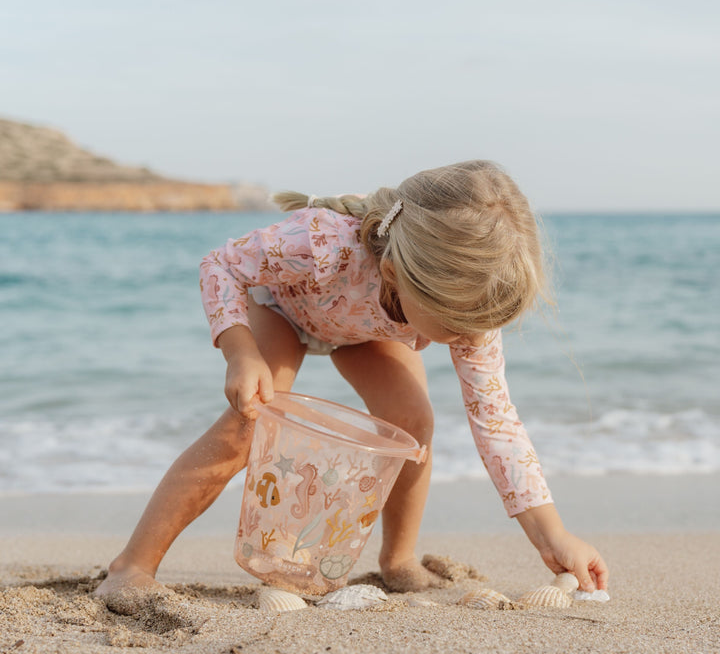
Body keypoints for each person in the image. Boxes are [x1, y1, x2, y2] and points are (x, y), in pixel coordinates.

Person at [95, 160, 608, 602]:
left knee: (412, 422)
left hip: (364, 328)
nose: (468, 339)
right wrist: (240, 351)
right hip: (283, 307)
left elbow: (496, 423)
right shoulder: (323, 241)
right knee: (247, 426)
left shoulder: (469, 313)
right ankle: (133, 566)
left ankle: (398, 560)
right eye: (455, 327)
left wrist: (553, 535)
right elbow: (221, 265)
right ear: (397, 277)